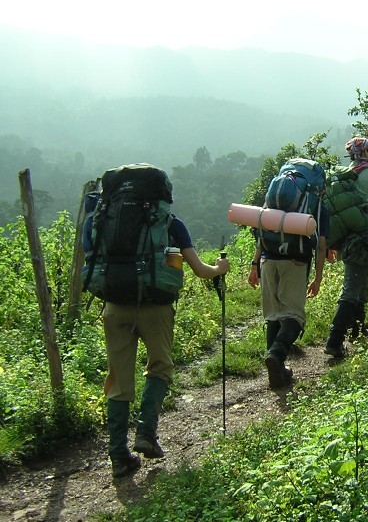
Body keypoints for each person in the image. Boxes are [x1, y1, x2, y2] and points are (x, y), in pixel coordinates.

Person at [99, 212, 229, 478]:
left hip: (114, 307)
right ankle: (146, 433)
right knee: (160, 367)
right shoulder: (171, 224)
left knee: (119, 379)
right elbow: (201, 271)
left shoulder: (107, 220)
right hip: (155, 308)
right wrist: (220, 269)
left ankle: (119, 457)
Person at [248, 172, 329, 389]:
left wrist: (254, 264)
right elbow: (321, 245)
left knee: (274, 315)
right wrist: (318, 278)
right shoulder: (317, 205)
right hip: (296, 262)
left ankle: (277, 372)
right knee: (293, 315)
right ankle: (276, 355)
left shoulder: (271, 200)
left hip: (267, 261)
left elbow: (261, 231)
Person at [324, 137, 368, 358]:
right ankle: (334, 340)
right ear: (367, 152)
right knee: (352, 287)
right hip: (364, 239)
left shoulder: (341, 175)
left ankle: (358, 330)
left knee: (361, 281)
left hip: (342, 237)